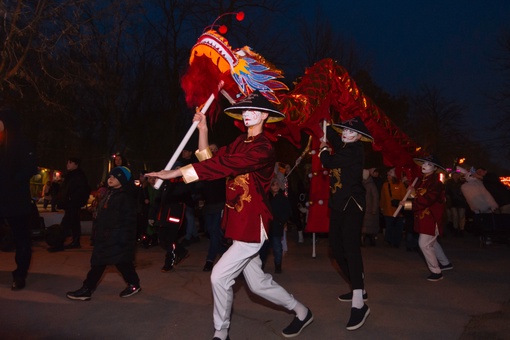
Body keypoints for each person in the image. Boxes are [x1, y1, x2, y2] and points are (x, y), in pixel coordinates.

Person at [146, 91, 313, 340]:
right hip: (236, 222)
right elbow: (208, 159)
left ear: (265, 115)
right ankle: (302, 311)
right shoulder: (238, 143)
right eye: (244, 110)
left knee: (218, 276)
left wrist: (176, 173)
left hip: (253, 225)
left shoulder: (264, 148)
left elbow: (221, 167)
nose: (246, 114)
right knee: (257, 285)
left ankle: (221, 333)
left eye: (252, 110)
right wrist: (203, 129)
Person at [319, 116, 372, 331]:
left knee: (351, 249)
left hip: (353, 205)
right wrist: (325, 120)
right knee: (335, 249)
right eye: (345, 131)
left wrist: (323, 149)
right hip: (338, 204)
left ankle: (359, 304)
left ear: (358, 136)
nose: (346, 134)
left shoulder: (354, 150)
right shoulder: (344, 144)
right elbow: (332, 134)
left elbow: (328, 162)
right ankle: (356, 283)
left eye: (351, 132)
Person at [66, 166, 141, 300]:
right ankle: (134, 284)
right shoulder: (110, 193)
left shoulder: (125, 196)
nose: (110, 179)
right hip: (106, 236)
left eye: (115, 176)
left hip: (116, 237)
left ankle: (87, 289)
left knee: (102, 263)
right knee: (120, 263)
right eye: (110, 176)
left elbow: (129, 221)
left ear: (122, 179)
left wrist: (123, 239)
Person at [0, 103, 38, 290]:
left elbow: (30, 168)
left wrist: (12, 179)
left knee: (22, 238)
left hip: (16, 200)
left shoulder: (22, 143)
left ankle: (20, 274)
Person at [411, 155, 453, 281]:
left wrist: (408, 205)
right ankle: (445, 263)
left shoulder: (436, 183)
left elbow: (428, 199)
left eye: (429, 164)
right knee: (432, 243)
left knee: (424, 244)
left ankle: (436, 272)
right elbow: (418, 196)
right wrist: (412, 192)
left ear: (435, 168)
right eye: (424, 163)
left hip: (432, 218)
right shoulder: (421, 181)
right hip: (422, 217)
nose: (424, 166)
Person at [49, 157, 90, 251]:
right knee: (74, 222)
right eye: (67, 162)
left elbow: (80, 190)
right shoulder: (70, 175)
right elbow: (65, 189)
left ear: (76, 164)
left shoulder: (79, 175)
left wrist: (72, 198)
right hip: (70, 203)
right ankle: (75, 241)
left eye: (70, 163)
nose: (68, 164)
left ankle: (58, 242)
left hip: (73, 203)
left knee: (66, 222)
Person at [201, 143, 228, 272]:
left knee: (215, 232)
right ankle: (226, 255)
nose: (210, 151)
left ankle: (209, 260)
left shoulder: (220, 166)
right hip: (208, 206)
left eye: (213, 149)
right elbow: (202, 186)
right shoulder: (205, 167)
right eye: (209, 149)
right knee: (212, 233)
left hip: (219, 204)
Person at [259, 178, 292, 273]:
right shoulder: (266, 198)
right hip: (266, 226)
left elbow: (287, 212)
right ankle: (261, 265)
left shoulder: (282, 198)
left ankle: (278, 265)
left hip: (277, 226)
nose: (276, 186)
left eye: (277, 184)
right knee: (263, 248)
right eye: (273, 185)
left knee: (277, 247)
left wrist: (282, 221)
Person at [380, 168, 407, 248]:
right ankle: (389, 241)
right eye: (387, 175)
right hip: (388, 211)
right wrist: (381, 207)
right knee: (389, 227)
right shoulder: (385, 185)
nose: (387, 176)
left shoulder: (400, 185)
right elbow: (383, 198)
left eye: (389, 175)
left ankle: (396, 242)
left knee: (398, 228)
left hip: (398, 211)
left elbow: (404, 197)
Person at [445, 170, 468, 236]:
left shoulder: (462, 182)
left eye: (457, 175)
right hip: (453, 201)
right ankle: (455, 229)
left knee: (461, 216)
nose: (456, 176)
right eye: (455, 175)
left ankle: (461, 229)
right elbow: (447, 192)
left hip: (461, 201)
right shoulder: (449, 183)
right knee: (455, 216)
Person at [361, 168, 380, 246]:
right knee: (364, 226)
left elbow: (375, 197)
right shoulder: (361, 184)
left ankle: (372, 240)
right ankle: (363, 239)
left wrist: (374, 208)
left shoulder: (371, 185)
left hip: (369, 208)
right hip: (363, 208)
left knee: (370, 226)